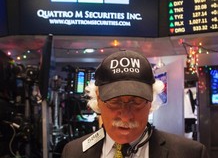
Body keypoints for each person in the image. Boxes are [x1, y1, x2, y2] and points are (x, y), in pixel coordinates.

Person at [61, 50, 209, 158]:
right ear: (98, 99)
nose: (125, 117)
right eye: (114, 101)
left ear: (151, 101)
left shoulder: (191, 154)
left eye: (136, 101)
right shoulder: (73, 152)